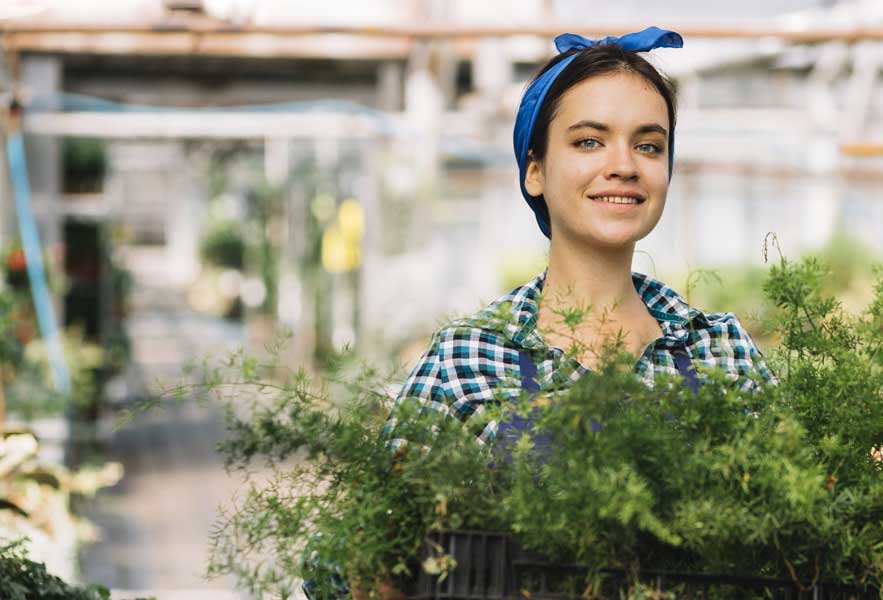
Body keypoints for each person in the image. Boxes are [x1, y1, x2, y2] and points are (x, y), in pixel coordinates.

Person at [305, 26, 778, 600]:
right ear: (535, 170)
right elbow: (339, 566)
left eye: (649, 146)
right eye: (589, 142)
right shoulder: (471, 357)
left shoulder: (718, 350)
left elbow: (798, 537)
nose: (624, 165)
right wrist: (379, 567)